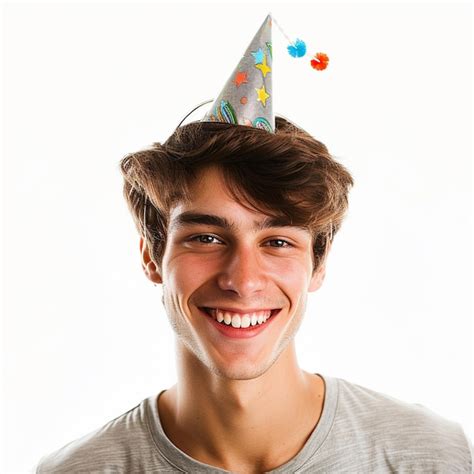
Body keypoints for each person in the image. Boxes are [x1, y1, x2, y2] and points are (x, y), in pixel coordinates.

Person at [36, 14, 472, 474]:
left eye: (278, 242)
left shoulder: (435, 457)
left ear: (318, 264)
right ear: (151, 256)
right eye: (206, 237)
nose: (242, 281)